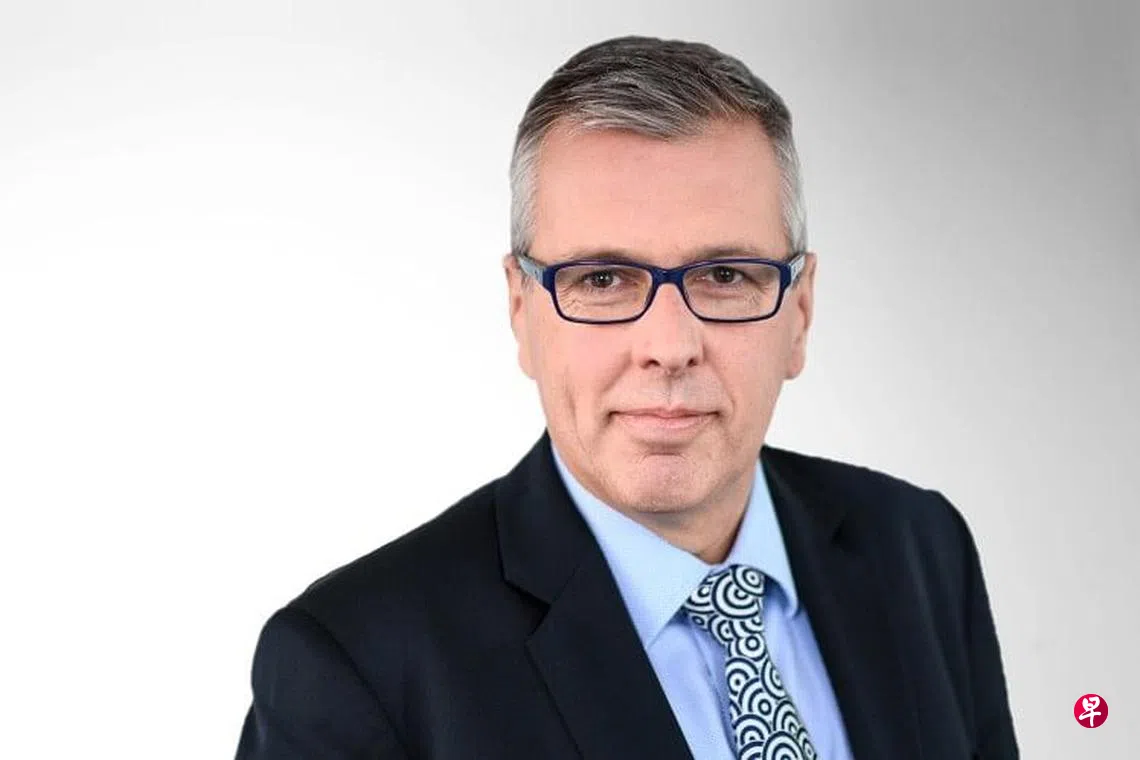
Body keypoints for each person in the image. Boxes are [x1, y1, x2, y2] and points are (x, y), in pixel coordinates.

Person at [235, 35, 1018, 759]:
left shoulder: (921, 548)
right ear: (521, 310)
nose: (669, 346)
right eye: (603, 279)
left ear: (801, 311)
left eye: (725, 275)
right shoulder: (355, 663)